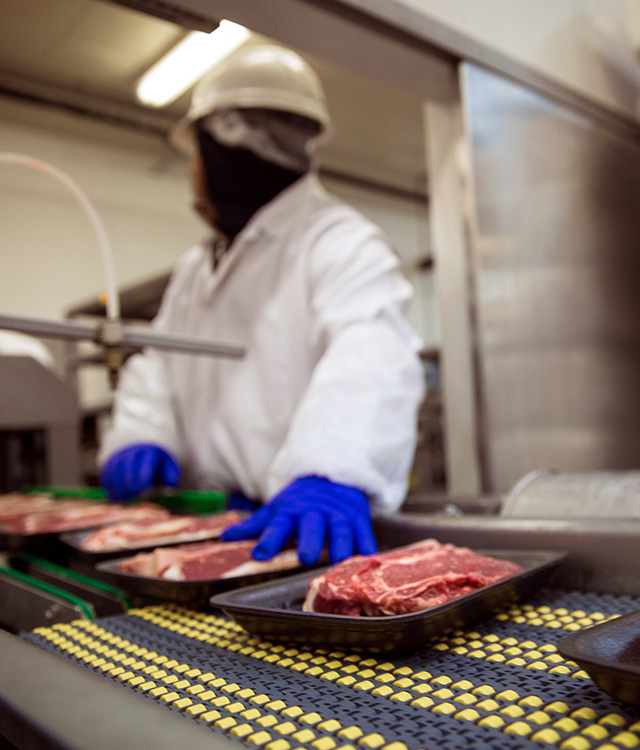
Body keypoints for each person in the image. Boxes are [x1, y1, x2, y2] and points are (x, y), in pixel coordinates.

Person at [98, 44, 424, 568]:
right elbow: (160, 363)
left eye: (197, 154)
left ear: (225, 148)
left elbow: (372, 352)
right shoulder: (194, 268)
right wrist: (141, 432)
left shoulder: (339, 241)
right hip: (211, 529)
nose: (192, 173)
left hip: (302, 529)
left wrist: (329, 469)